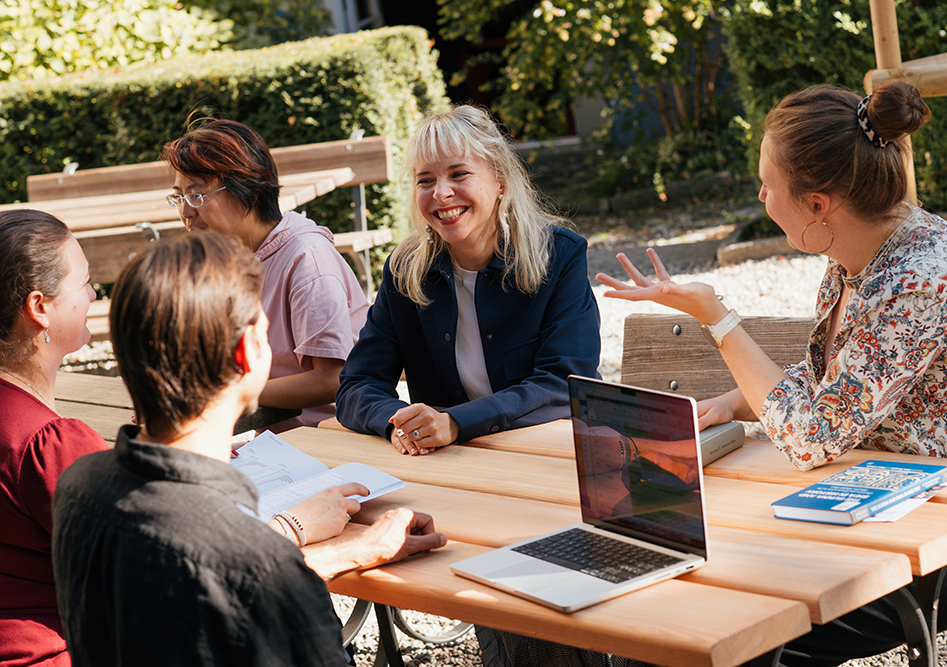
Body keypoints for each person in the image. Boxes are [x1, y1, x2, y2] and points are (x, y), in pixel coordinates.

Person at [597, 81, 947, 665]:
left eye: (768, 183)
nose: (760, 195)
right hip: (890, 498)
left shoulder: (919, 277)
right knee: (674, 606)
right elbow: (851, 380)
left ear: (818, 204)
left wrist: (715, 314)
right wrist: (737, 401)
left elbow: (810, 440)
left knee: (753, 634)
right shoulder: (862, 251)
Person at [51, 232, 446, 666]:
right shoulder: (255, 564)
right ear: (248, 351)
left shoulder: (77, 486)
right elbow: (244, 576)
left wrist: (355, 550)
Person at [336, 105, 601, 455]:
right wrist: (399, 423)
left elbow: (564, 383)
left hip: (551, 453)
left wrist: (457, 421)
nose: (441, 193)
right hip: (453, 463)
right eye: (425, 180)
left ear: (500, 182)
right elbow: (357, 385)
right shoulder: (405, 271)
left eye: (459, 174)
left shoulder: (558, 256)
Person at [161, 119, 368, 429]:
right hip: (273, 440)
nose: (186, 212)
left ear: (247, 189)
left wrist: (227, 394)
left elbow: (333, 379)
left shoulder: (307, 260)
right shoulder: (231, 257)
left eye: (197, 195)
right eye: (179, 197)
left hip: (331, 439)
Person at [0, 210, 108, 666]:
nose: (92, 292)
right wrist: (293, 527)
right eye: (83, 281)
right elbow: (164, 567)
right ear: (39, 307)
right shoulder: (49, 443)